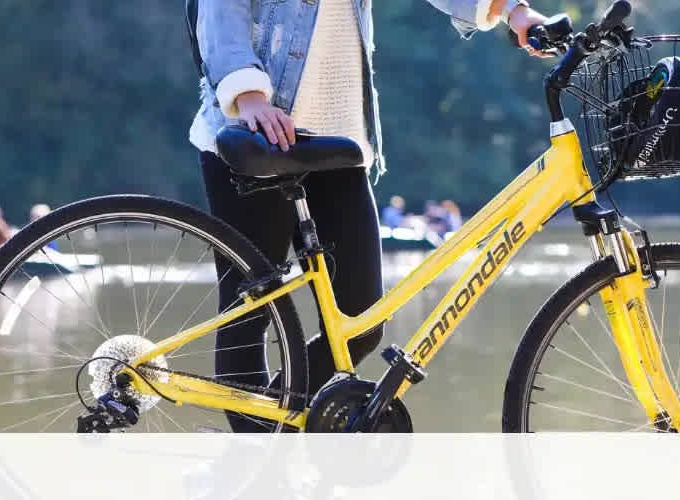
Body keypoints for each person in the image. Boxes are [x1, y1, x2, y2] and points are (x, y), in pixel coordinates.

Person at [189, 0, 553, 426]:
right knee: (250, 313)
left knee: (362, 322)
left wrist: (513, 11)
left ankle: (266, 435)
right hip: (257, 135)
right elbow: (220, 12)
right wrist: (248, 97)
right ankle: (256, 462)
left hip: (337, 146)